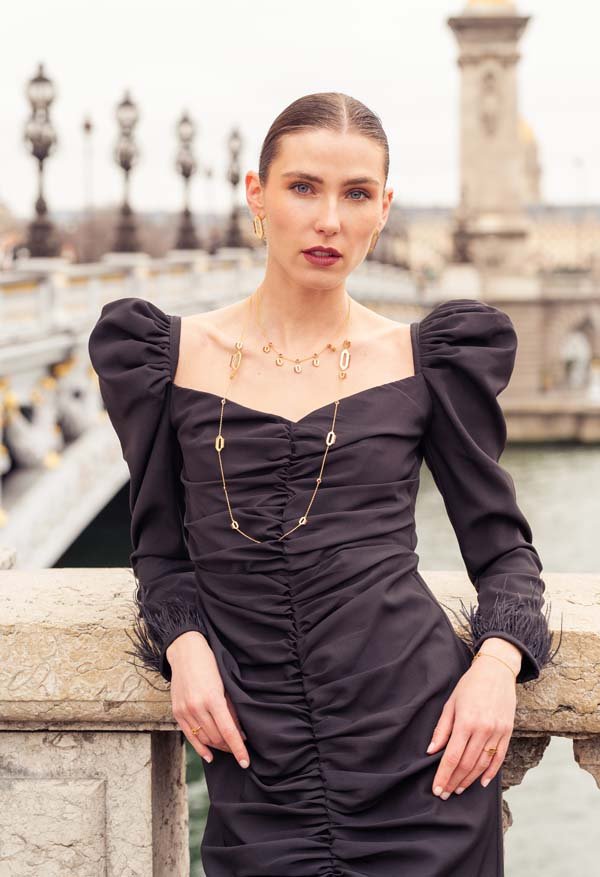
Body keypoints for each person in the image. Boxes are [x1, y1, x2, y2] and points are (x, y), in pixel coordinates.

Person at [88, 92, 561, 877]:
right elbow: (160, 551)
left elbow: (506, 553)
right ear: (257, 194)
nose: (330, 221)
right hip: (257, 765)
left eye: (357, 194)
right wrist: (185, 644)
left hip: (425, 759)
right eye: (303, 187)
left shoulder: (425, 360)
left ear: (385, 209)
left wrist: (496, 666)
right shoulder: (168, 357)